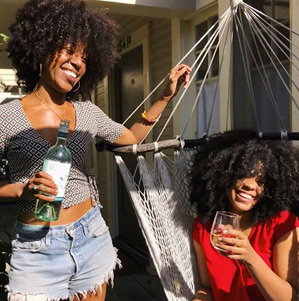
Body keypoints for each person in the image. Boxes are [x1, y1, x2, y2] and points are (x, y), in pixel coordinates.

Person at [0, 0, 191, 300]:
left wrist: (165, 97)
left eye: (84, 57)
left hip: (91, 234)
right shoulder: (7, 117)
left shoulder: (86, 111)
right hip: (37, 248)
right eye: (68, 49)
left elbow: (131, 139)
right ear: (40, 47)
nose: (77, 62)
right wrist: (21, 191)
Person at [189, 130, 299, 301]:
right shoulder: (204, 227)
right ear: (222, 176)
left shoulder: (283, 223)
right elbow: (207, 288)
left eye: (260, 181)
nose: (251, 185)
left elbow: (290, 298)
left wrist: (250, 256)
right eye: (243, 175)